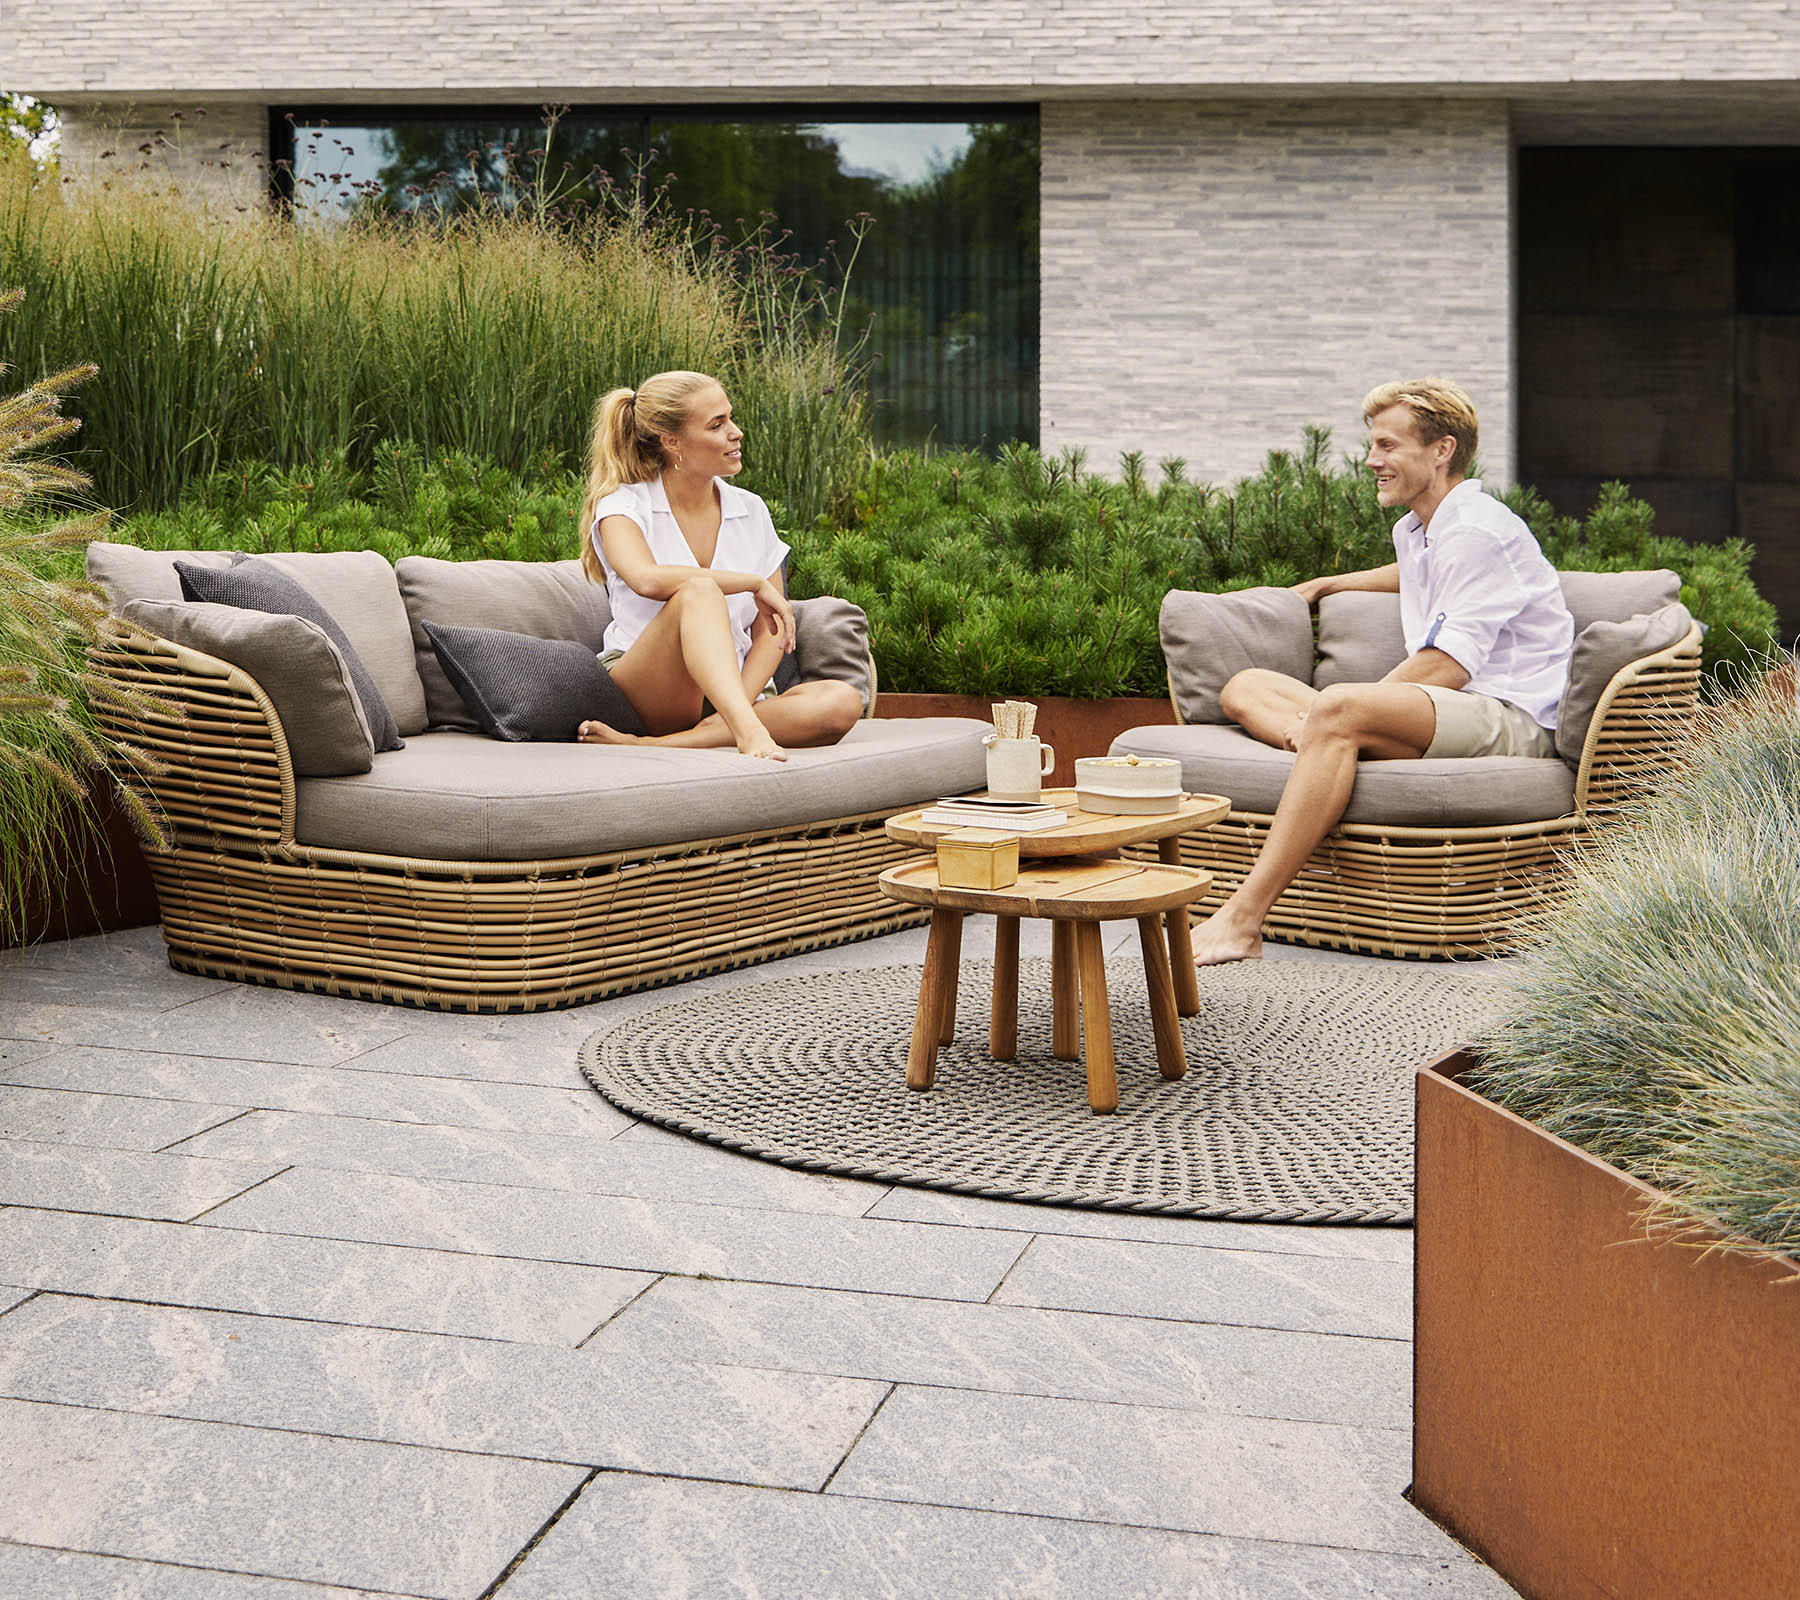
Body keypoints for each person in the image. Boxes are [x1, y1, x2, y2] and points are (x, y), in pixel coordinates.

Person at [1190, 377, 1576, 966]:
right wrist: (1328, 583)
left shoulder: (1476, 529)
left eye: (1388, 446)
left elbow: (1445, 667)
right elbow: (1413, 571)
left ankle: (1242, 921)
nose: (1372, 460)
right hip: (1450, 714)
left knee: (1340, 706)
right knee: (1244, 686)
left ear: (1441, 450)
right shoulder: (1422, 527)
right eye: (1373, 446)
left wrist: (1333, 710)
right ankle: (1324, 744)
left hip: (1510, 715)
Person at [574, 369, 862, 762]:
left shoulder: (750, 509)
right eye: (717, 424)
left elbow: (770, 632)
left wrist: (736, 704)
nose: (736, 432)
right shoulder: (623, 506)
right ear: (672, 441)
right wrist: (750, 583)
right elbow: (645, 578)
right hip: (650, 687)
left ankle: (670, 742)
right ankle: (745, 732)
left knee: (841, 700)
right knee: (698, 591)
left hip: (733, 692)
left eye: (731, 418)